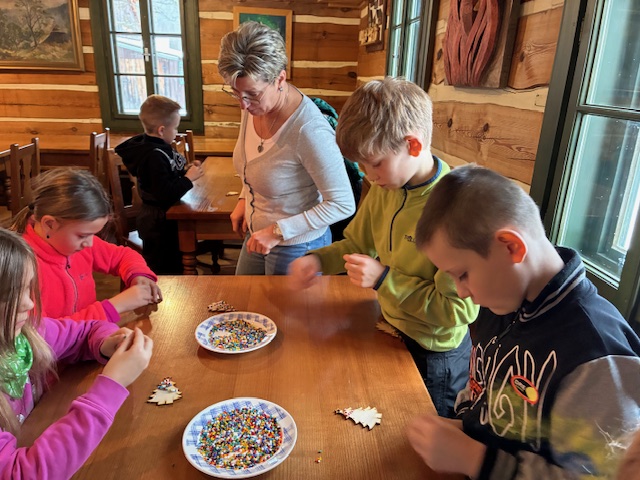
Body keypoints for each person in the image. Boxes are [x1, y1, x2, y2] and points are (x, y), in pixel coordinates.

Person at [407, 165, 640, 478]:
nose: (461, 292)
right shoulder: (501, 301)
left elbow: (598, 475)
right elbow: (481, 390)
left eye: (462, 274)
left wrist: (477, 460)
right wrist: (462, 426)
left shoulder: (595, 355)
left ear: (511, 247)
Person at [288, 77, 479, 418]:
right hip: (390, 326)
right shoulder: (385, 187)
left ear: (413, 145)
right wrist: (317, 260)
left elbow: (456, 312)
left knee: (427, 431)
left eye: (375, 163)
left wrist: (383, 279)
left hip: (434, 354)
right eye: (362, 165)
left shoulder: (454, 211)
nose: (368, 175)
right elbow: (358, 243)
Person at [0, 228, 153, 478]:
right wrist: (111, 385)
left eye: (28, 289)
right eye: (10, 295)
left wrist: (106, 343)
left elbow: (85, 331)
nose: (29, 303)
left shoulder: (26, 334)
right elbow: (22, 473)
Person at [217, 21, 355, 275]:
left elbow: (343, 203)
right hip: (257, 233)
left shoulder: (309, 130)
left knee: (278, 304)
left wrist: (278, 231)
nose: (243, 105)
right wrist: (244, 198)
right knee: (245, 299)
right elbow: (257, 163)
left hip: (297, 245)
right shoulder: (254, 104)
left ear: (280, 78)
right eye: (236, 93)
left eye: (252, 94)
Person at [10, 168, 161, 323]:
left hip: (91, 332)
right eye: (83, 235)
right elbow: (40, 332)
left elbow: (123, 256)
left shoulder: (74, 243)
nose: (90, 243)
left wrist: (138, 275)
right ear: (49, 224)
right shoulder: (21, 268)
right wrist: (114, 307)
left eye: (93, 234)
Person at [115, 94, 204, 274]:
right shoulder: (153, 155)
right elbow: (165, 193)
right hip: (157, 223)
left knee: (175, 264)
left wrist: (185, 170)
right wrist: (188, 179)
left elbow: (167, 175)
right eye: (175, 128)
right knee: (165, 271)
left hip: (164, 217)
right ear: (162, 130)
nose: (177, 132)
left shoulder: (159, 148)